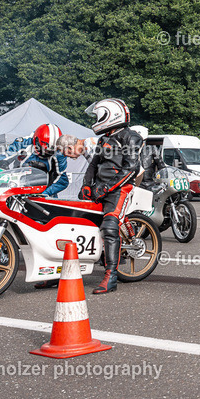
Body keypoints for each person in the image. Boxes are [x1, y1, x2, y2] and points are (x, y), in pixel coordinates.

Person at [78, 98, 143, 295]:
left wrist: (104, 189)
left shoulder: (132, 137)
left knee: (109, 225)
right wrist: (87, 186)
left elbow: (130, 169)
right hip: (101, 188)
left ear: (110, 114)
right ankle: (62, 271)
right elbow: (93, 165)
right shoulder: (103, 139)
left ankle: (111, 275)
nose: (96, 119)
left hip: (119, 189)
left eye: (99, 115)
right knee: (77, 222)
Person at [8, 124, 69, 197]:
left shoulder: (60, 154)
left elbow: (62, 181)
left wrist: (44, 194)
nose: (46, 153)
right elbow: (4, 158)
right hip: (16, 188)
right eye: (44, 150)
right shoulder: (23, 143)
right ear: (36, 141)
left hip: (44, 191)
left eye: (50, 152)